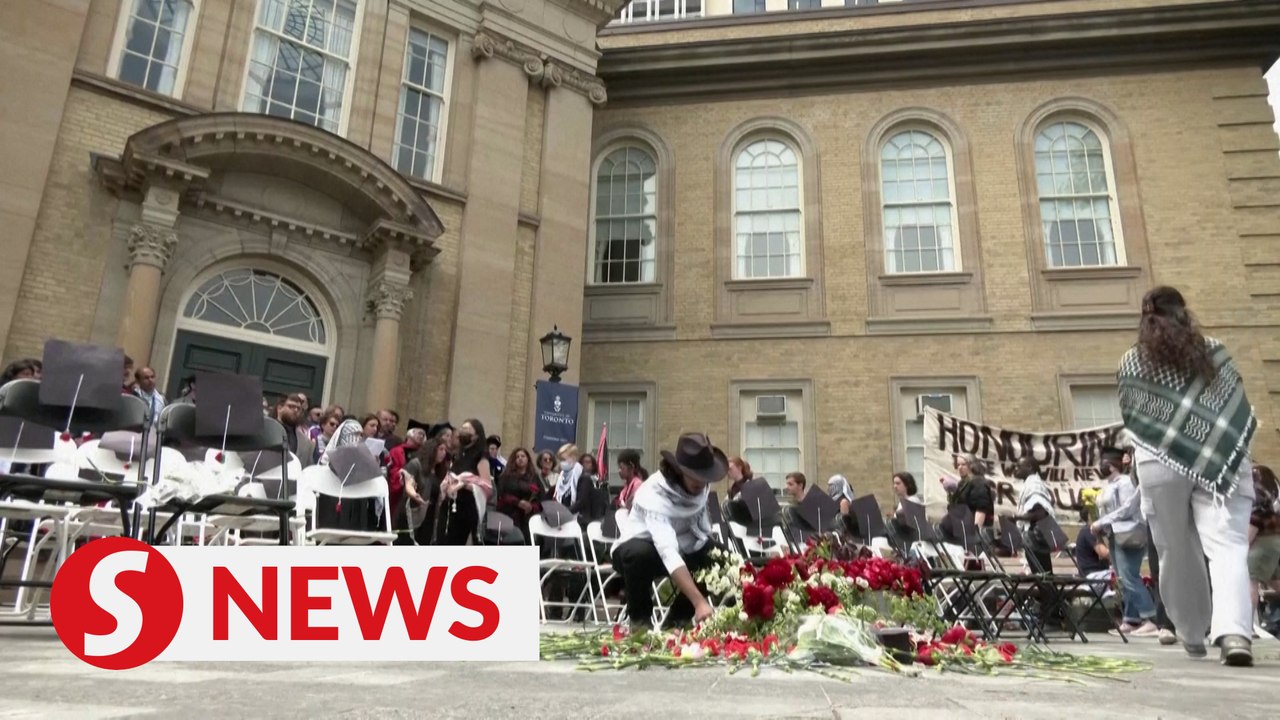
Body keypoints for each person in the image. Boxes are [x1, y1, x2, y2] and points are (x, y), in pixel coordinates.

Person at [1118, 286, 1257, 666]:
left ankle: (1193, 633)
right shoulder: (1215, 351)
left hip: (1160, 460)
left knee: (1174, 549)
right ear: (1184, 313)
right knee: (1228, 544)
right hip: (1220, 459)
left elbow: (1133, 415)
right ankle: (1233, 632)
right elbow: (1235, 407)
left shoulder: (1134, 361)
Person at [612, 433, 727, 632]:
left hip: (683, 546)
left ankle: (676, 621)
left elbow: (699, 534)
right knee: (639, 553)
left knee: (717, 557)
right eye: (696, 476)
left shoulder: (701, 487)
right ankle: (640, 624)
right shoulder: (653, 493)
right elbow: (667, 550)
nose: (702, 483)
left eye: (706, 477)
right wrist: (699, 601)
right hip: (643, 549)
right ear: (679, 471)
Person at [1091, 447, 1158, 637]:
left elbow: (1127, 509)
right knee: (1122, 578)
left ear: (1111, 465)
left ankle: (1151, 618)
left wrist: (1101, 522)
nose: (1099, 467)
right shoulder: (1110, 485)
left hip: (1129, 533)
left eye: (1103, 463)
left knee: (1130, 576)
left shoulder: (1126, 483)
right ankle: (1131, 618)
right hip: (1114, 534)